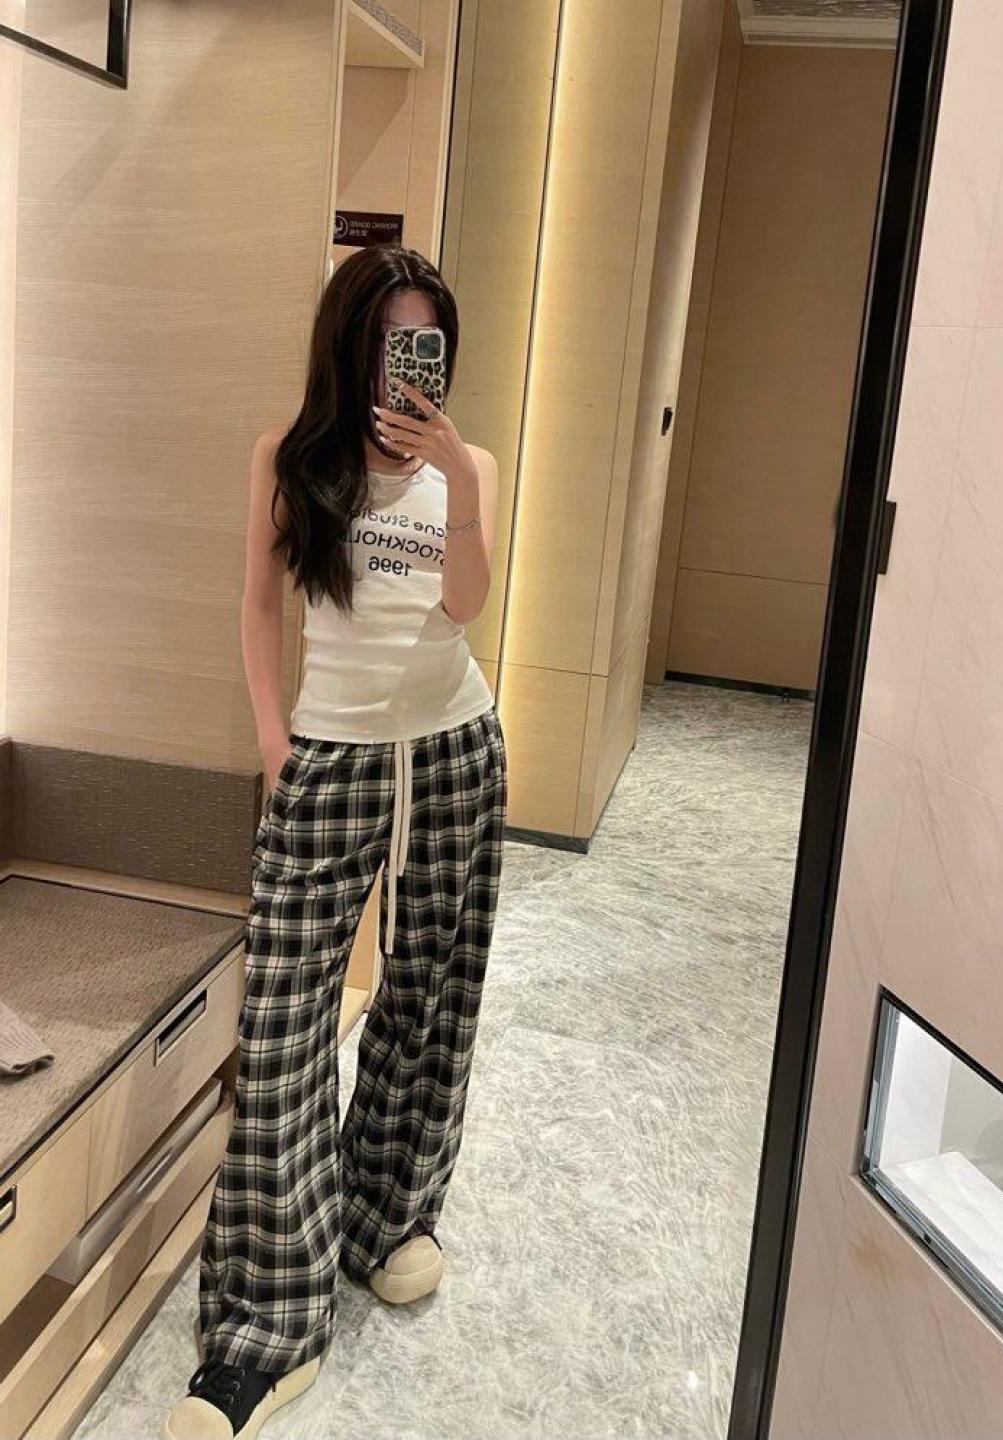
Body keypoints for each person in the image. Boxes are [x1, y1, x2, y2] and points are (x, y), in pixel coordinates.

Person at [163, 244, 508, 1440]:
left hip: (455, 752)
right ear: (348, 347)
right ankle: (267, 1317)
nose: (403, 372)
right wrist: (276, 747)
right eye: (385, 345)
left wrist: (456, 474)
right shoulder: (292, 458)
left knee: (430, 993)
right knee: (284, 1026)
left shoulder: (471, 466)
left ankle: (387, 1216)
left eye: (425, 347)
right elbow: (259, 605)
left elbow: (465, 605)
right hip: (330, 759)